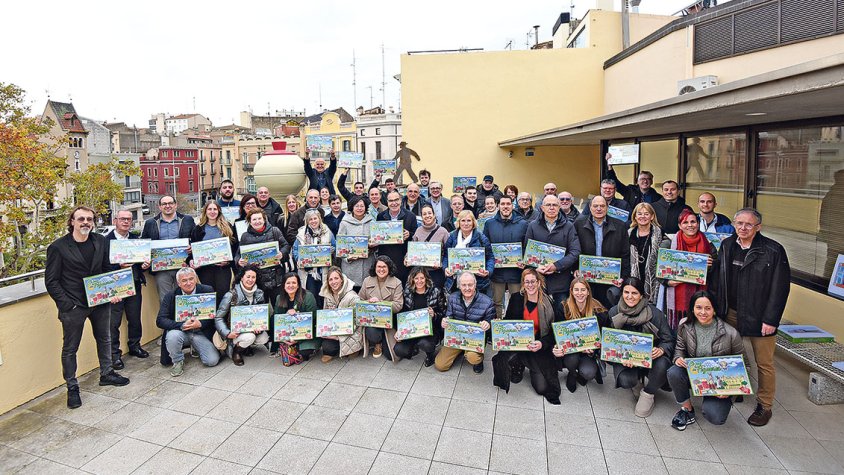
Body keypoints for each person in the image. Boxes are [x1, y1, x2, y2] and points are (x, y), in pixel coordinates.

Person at [712, 208, 790, 426]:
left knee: (764, 363)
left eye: (748, 225)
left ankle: (765, 406)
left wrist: (771, 320)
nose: (743, 228)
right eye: (739, 223)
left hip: (760, 316)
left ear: (758, 227)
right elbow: (718, 279)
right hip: (731, 312)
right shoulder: (727, 245)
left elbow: (780, 289)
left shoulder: (773, 251)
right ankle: (734, 388)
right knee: (731, 354)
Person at [46, 206, 130, 408]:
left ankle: (107, 373)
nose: (85, 222)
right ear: (72, 221)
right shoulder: (58, 247)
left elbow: (105, 268)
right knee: (70, 348)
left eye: (89, 219)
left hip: (100, 301)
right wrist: (68, 305)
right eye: (81, 219)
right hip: (74, 306)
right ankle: (72, 387)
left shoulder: (100, 241)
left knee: (105, 338)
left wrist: (114, 290)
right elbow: (52, 281)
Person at [667, 290, 744, 430]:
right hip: (695, 375)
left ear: (714, 310)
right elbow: (680, 347)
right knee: (674, 372)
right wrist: (678, 358)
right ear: (692, 309)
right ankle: (687, 410)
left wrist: (729, 390)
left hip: (719, 382)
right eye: (698, 307)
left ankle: (712, 403)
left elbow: (745, 367)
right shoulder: (685, 325)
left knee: (715, 417)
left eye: (708, 308)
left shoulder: (731, 333)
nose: (703, 312)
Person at [607, 277, 675, 418]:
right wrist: (620, 358)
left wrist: (661, 349)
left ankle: (648, 393)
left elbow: (668, 339)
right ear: (621, 293)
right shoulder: (614, 313)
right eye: (626, 292)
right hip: (627, 359)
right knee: (626, 380)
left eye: (635, 293)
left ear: (642, 295)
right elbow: (609, 344)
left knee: (663, 364)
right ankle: (636, 383)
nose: (630, 297)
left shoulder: (655, 314)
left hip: (652, 359)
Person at [502, 269, 563, 404]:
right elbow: (508, 321)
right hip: (519, 343)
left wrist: (542, 343)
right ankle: (517, 366)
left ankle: (531, 366)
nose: (530, 285)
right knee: (506, 357)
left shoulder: (549, 303)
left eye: (533, 281)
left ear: (539, 282)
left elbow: (554, 332)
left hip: (539, 346)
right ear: (523, 283)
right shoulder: (516, 298)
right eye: (526, 282)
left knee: (542, 388)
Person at [105, 209, 150, 370]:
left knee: (135, 318)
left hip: (134, 283)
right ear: (115, 220)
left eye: (129, 219)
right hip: (115, 288)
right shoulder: (105, 241)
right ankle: (114, 355)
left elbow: (140, 263)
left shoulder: (136, 240)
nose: (126, 222)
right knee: (113, 323)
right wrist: (119, 265)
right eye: (122, 219)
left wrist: (144, 265)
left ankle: (135, 346)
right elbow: (101, 266)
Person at [157, 267, 221, 377]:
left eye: (191, 279)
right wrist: (181, 325)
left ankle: (196, 346)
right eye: (184, 280)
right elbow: (160, 320)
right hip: (180, 332)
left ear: (196, 279)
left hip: (200, 332)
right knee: (172, 335)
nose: (188, 283)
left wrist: (201, 323)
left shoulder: (207, 290)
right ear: (178, 283)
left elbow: (215, 314)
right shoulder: (171, 295)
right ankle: (177, 361)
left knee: (212, 361)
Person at [664, 209, 717, 330]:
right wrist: (668, 282)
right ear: (679, 225)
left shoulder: (708, 242)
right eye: (685, 222)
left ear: (698, 224)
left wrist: (710, 265)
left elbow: (716, 268)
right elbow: (660, 270)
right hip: (677, 294)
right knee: (678, 329)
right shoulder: (670, 242)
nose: (690, 225)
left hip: (701, 292)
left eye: (693, 222)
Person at [573, 196, 630, 308]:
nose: (599, 209)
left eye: (602, 206)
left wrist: (623, 276)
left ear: (607, 208)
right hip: (586, 280)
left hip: (610, 280)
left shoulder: (620, 226)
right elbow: (574, 250)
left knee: (608, 312)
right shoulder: (578, 224)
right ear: (590, 207)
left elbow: (625, 254)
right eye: (595, 206)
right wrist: (575, 268)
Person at [524, 195, 582, 304]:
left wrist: (557, 266)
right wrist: (535, 267)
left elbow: (575, 252)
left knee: (561, 312)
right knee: (541, 316)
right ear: (542, 208)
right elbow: (527, 251)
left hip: (561, 282)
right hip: (539, 281)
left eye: (555, 205)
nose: (551, 208)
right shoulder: (532, 226)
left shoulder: (569, 226)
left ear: (559, 207)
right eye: (548, 205)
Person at [554, 278, 609, 392]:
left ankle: (581, 374)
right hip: (570, 351)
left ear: (588, 291)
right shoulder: (563, 307)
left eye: (583, 290)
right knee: (572, 360)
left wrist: (595, 348)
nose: (580, 293)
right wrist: (556, 346)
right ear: (571, 291)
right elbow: (557, 334)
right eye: (576, 290)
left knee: (589, 373)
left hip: (588, 353)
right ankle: (572, 373)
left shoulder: (599, 310)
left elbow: (605, 338)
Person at [435, 272, 495, 373]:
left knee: (473, 358)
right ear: (459, 286)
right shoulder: (453, 298)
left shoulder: (487, 302)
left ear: (475, 285)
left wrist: (488, 325)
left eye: (470, 285)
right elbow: (448, 317)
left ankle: (478, 361)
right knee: (440, 365)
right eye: (464, 285)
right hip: (456, 338)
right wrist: (444, 323)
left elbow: (492, 327)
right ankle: (459, 351)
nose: (467, 288)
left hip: (474, 339)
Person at [141, 195, 196, 303]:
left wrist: (192, 248)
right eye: (164, 204)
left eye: (170, 203)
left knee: (184, 299)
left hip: (183, 267)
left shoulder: (187, 220)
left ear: (176, 205)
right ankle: (168, 320)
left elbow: (196, 239)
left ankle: (183, 320)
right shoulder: (150, 223)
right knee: (165, 300)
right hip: (161, 270)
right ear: (159, 207)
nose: (168, 206)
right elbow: (144, 245)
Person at [215, 264, 270, 366]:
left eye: (253, 277)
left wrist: (260, 327)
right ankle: (236, 352)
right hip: (234, 331)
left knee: (264, 338)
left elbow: (260, 315)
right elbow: (218, 317)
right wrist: (227, 333)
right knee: (250, 337)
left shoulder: (259, 293)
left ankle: (246, 346)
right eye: (248, 276)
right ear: (242, 277)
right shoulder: (231, 295)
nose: (250, 279)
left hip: (251, 328)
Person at [483, 195, 528, 318]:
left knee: (517, 302)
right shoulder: (489, 224)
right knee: (496, 302)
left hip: (516, 272)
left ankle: (514, 330)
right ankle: (497, 330)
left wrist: (524, 259)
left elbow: (527, 246)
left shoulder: (523, 224)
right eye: (502, 204)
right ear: (498, 206)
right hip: (497, 272)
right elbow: (485, 246)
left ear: (512, 206)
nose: (505, 207)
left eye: (508, 204)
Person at [236, 208, 290, 308]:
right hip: (256, 280)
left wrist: (282, 253)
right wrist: (239, 261)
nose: (257, 222)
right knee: (260, 309)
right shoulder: (245, 236)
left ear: (264, 219)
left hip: (275, 277)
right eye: (254, 219)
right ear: (249, 222)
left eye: (259, 219)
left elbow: (286, 245)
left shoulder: (275, 231)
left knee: (279, 306)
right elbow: (238, 255)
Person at [394, 267, 447, 367]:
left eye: (422, 278)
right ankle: (413, 347)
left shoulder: (436, 291)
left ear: (426, 278)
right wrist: (399, 331)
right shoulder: (407, 292)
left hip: (430, 330)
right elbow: (403, 313)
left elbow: (443, 313)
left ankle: (430, 355)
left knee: (425, 344)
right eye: (416, 278)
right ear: (412, 279)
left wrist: (434, 315)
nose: (419, 281)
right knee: (399, 350)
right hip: (411, 329)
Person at [190, 201, 236, 304]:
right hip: (205, 270)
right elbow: (193, 250)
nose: (212, 212)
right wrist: (192, 260)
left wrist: (228, 261)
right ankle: (211, 320)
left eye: (215, 209)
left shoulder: (227, 226)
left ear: (219, 211)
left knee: (223, 296)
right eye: (209, 209)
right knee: (209, 297)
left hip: (222, 268)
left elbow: (234, 247)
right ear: (205, 211)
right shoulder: (198, 229)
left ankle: (222, 319)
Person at [359, 256, 404, 359]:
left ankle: (385, 339)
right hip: (372, 320)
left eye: (384, 267)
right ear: (375, 268)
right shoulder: (367, 281)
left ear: (389, 268)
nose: (381, 269)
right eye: (379, 266)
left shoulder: (397, 283)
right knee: (371, 331)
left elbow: (398, 305)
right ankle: (377, 343)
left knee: (390, 355)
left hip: (389, 321)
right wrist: (368, 302)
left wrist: (381, 303)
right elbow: (359, 300)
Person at [443, 210, 495, 295]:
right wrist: (445, 268)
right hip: (456, 282)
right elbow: (445, 256)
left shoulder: (481, 238)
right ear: (458, 222)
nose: (466, 223)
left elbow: (490, 257)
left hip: (478, 283)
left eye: (469, 220)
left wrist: (488, 271)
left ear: (473, 222)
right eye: (463, 220)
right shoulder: (452, 237)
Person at [293, 209, 336, 308]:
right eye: (310, 219)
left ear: (319, 219)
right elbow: (295, 249)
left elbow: (334, 245)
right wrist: (299, 259)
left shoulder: (327, 231)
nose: (313, 221)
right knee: (310, 296)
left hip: (323, 271)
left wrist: (330, 250)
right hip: (308, 273)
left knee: (323, 295)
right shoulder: (301, 234)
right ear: (307, 221)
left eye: (315, 218)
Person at [319, 266, 363, 362]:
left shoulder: (352, 297)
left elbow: (357, 320)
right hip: (335, 329)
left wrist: (338, 337)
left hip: (352, 331)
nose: (333, 282)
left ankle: (355, 349)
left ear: (342, 280)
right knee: (327, 348)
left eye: (336, 278)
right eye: (330, 279)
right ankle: (336, 349)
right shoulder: (327, 295)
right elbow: (325, 315)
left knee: (351, 351)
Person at [628, 203, 668, 305]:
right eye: (640, 214)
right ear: (635, 216)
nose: (643, 216)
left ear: (652, 216)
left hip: (653, 279)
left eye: (646, 214)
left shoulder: (660, 234)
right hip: (633, 275)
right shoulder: (628, 233)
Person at [273, 272, 320, 359]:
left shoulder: (308, 296)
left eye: (294, 283)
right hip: (288, 331)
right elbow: (277, 318)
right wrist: (286, 316)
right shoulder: (279, 298)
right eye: (288, 283)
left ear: (298, 285)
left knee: (304, 353)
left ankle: (311, 347)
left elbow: (313, 318)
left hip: (306, 331)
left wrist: (298, 316)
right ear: (283, 285)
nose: (291, 285)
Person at [376, 191, 418, 283]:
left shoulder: (410, 216)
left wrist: (409, 234)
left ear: (401, 200)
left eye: (396, 200)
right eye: (391, 201)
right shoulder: (380, 216)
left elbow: (416, 236)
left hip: (402, 259)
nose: (394, 203)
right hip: (386, 256)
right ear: (387, 202)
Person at [337, 195, 376, 290]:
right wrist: (348, 258)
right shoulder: (344, 223)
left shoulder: (372, 222)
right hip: (350, 268)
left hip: (367, 265)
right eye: (357, 206)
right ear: (352, 207)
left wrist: (373, 246)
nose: (359, 208)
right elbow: (340, 246)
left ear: (366, 207)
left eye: (362, 206)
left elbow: (376, 241)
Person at [410, 204, 450, 288]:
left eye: (429, 213)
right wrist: (407, 258)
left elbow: (449, 253)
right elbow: (412, 249)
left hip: (436, 273)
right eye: (424, 214)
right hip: (421, 273)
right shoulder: (418, 231)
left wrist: (441, 264)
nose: (427, 216)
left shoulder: (443, 232)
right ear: (421, 216)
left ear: (434, 215)